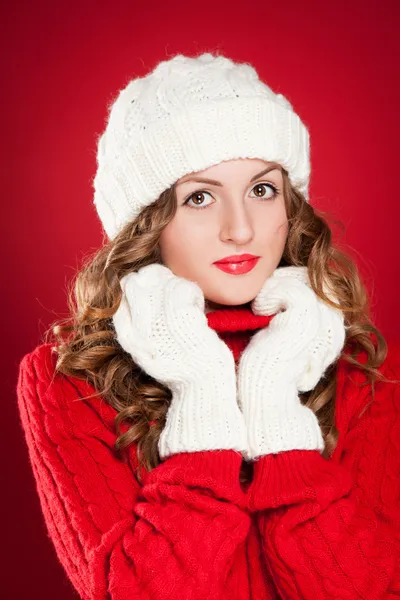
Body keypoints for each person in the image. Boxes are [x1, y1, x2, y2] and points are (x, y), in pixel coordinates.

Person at [16, 52, 400, 600]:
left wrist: (274, 407)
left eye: (262, 190)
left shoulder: (363, 369)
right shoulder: (66, 380)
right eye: (199, 197)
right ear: (145, 224)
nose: (240, 229)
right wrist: (203, 396)